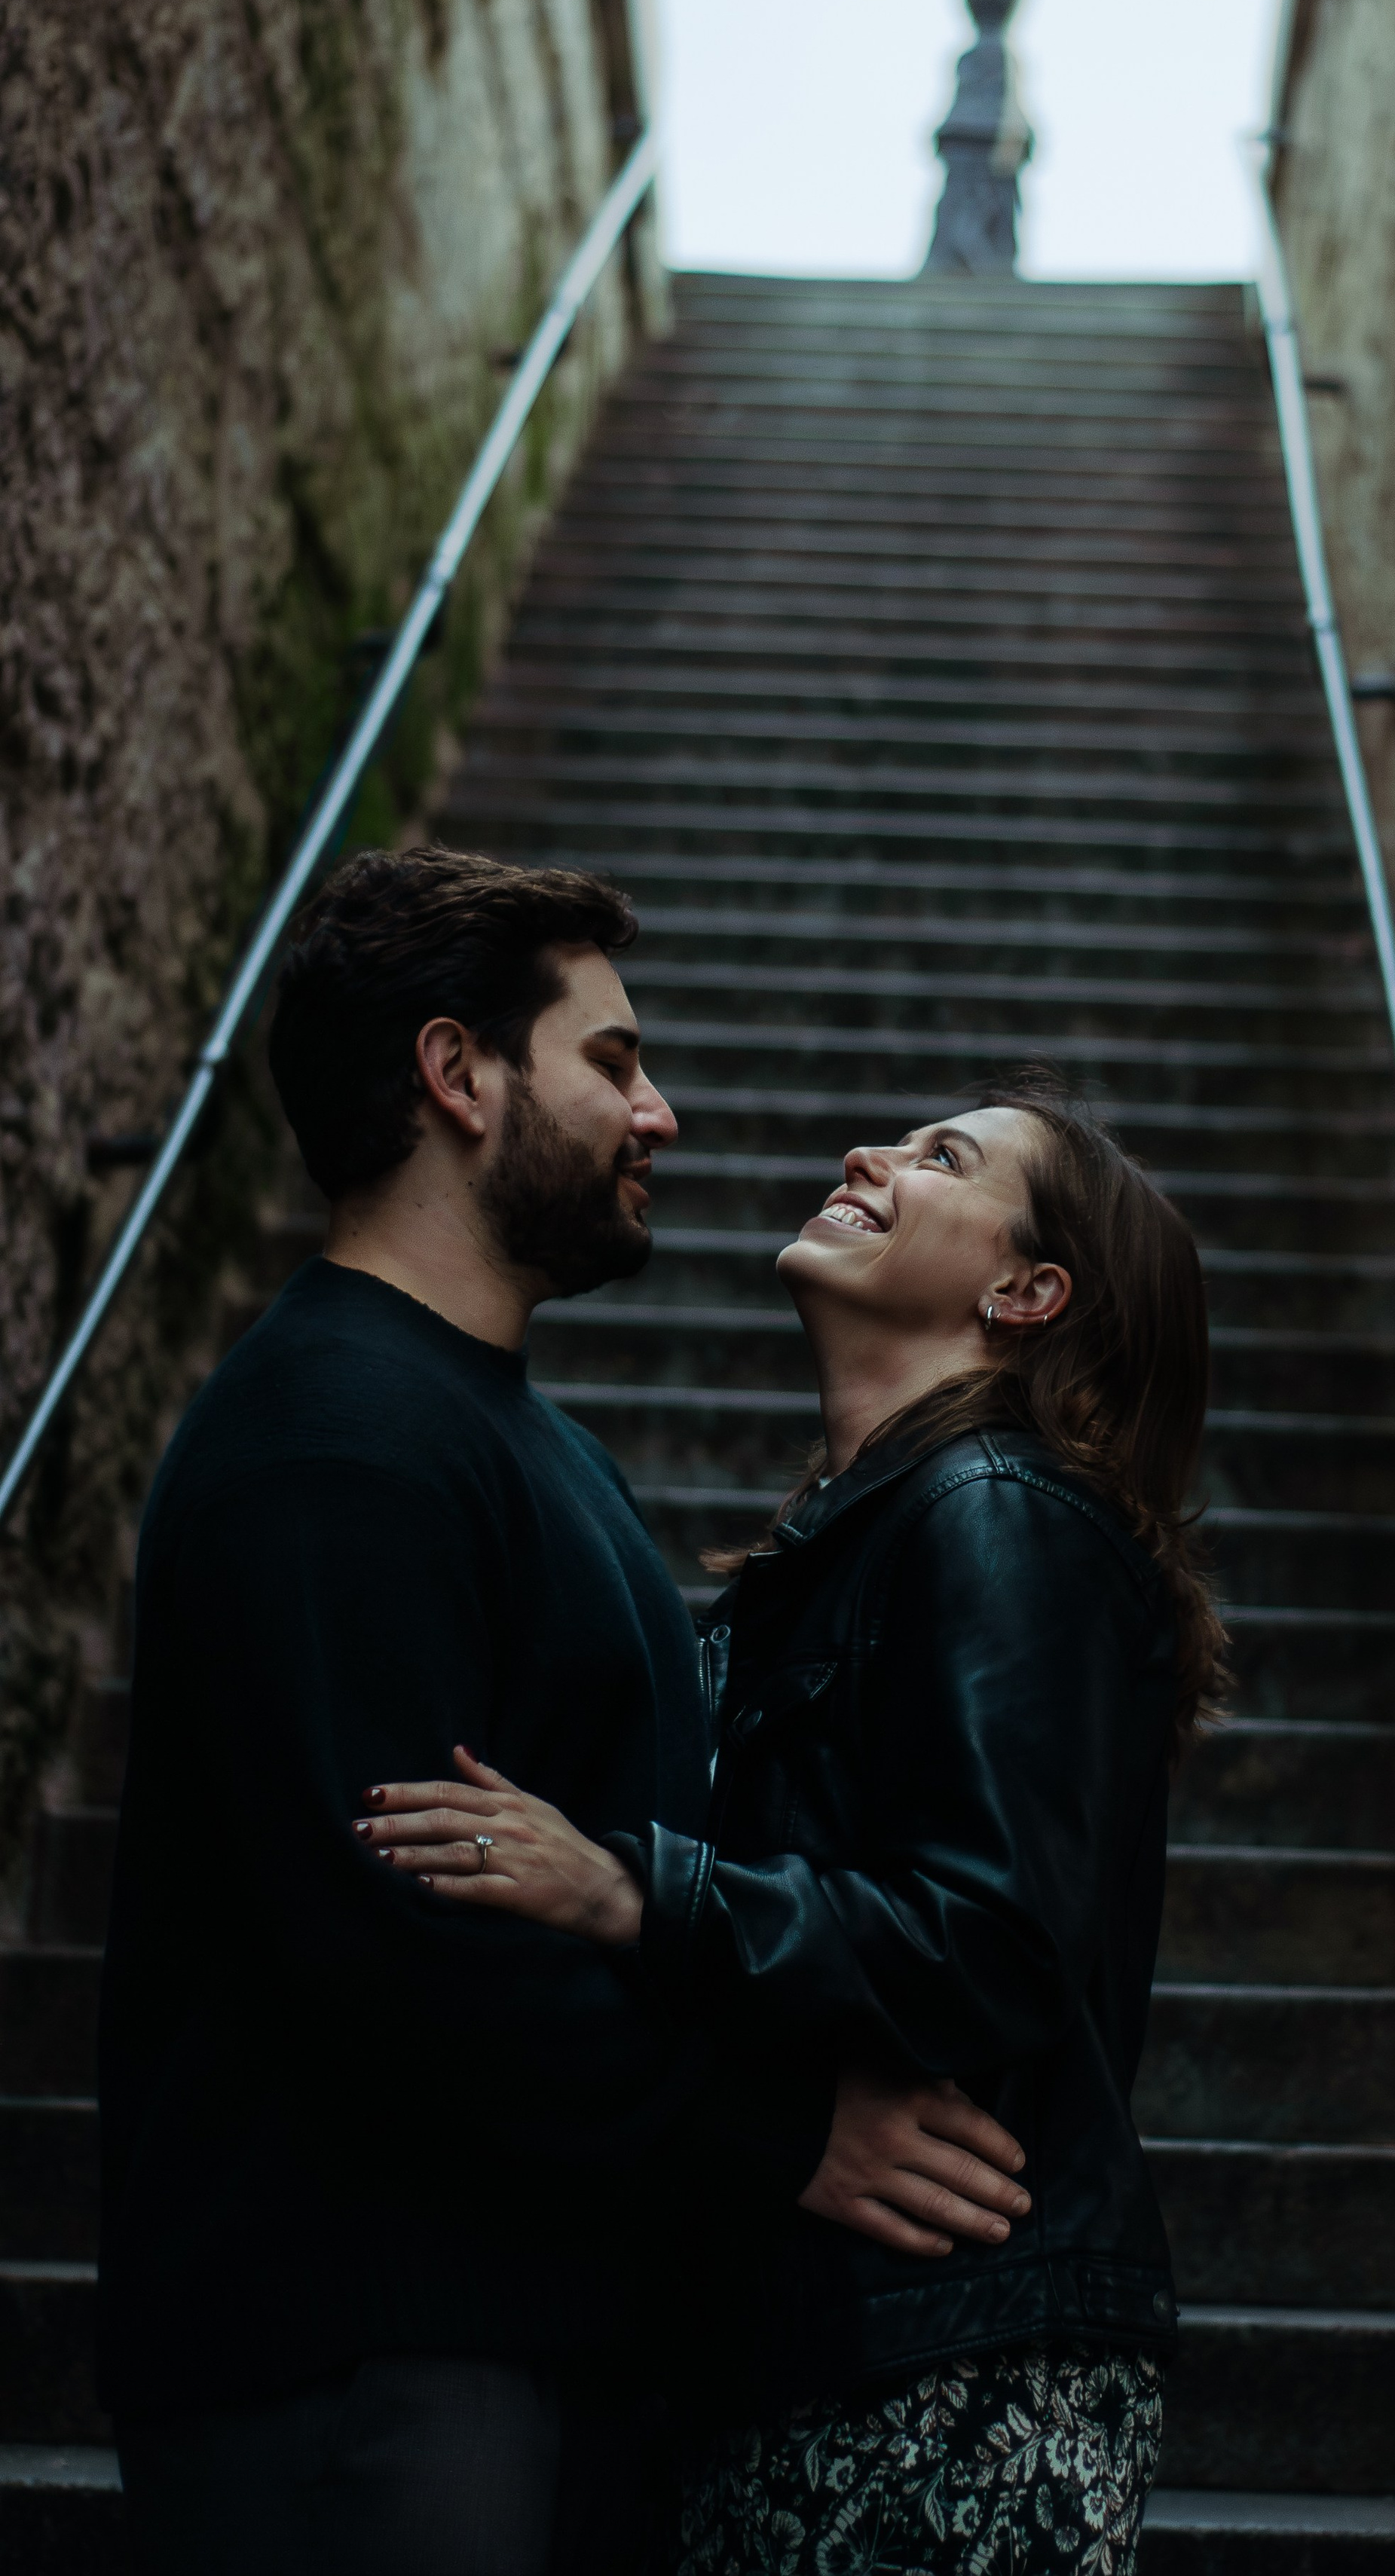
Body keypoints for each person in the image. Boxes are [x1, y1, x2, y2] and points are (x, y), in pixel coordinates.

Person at [99, 846, 1027, 2576]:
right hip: (370, 2368)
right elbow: (399, 1941)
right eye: (609, 1060)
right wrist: (774, 2133)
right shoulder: (328, 1441)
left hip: (524, 2347)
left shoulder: (520, 1440)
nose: (658, 1111)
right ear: (457, 1075)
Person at [359, 1069, 1222, 2574]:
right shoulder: (851, 1538)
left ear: (1026, 1288)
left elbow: (996, 1932)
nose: (866, 1148)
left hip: (945, 2355)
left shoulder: (994, 1506)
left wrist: (637, 1890)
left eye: (942, 1153)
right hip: (825, 2335)